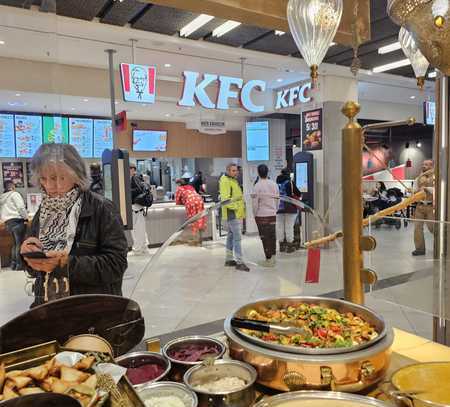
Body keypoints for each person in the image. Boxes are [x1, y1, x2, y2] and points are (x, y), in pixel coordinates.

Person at [20, 143, 128, 307]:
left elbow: (116, 265)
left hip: (91, 310)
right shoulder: (44, 211)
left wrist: (65, 264)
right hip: (49, 307)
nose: (50, 186)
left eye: (58, 178)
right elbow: (35, 271)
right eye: (43, 178)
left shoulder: (101, 208)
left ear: (77, 175)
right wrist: (28, 255)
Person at [219, 163, 249, 272]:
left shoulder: (232, 180)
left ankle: (229, 259)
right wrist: (236, 207)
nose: (235, 172)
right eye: (233, 170)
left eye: (236, 170)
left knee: (231, 236)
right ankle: (239, 262)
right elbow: (226, 200)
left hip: (235, 212)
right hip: (232, 213)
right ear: (227, 170)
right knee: (237, 238)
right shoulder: (226, 181)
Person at [252, 164, 279, 267]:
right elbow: (277, 199)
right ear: (268, 172)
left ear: (258, 173)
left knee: (264, 237)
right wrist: (274, 210)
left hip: (261, 215)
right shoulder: (274, 184)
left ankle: (268, 259)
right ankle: (273, 257)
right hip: (272, 214)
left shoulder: (257, 186)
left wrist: (255, 214)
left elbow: (255, 203)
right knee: (272, 236)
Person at [0, 181, 28, 270]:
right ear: (12, 186)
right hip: (17, 221)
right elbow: (20, 207)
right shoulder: (14, 194)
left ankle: (13, 264)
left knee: (15, 244)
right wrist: (26, 217)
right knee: (19, 244)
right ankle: (20, 265)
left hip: (8, 223)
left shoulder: (2, 197)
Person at [175, 175, 206, 245]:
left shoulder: (179, 189)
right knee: (200, 219)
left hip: (191, 202)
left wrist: (182, 201)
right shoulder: (191, 187)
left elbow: (177, 201)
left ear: (179, 184)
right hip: (199, 200)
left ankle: (195, 240)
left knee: (193, 220)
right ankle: (200, 239)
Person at [412, 159, 434, 256]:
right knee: (417, 228)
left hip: (431, 207)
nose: (423, 166)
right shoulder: (418, 178)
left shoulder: (436, 177)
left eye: (426, 164)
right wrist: (414, 192)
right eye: (423, 164)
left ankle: (441, 246)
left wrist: (427, 189)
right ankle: (420, 249)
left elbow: (437, 190)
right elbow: (415, 190)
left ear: (432, 166)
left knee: (433, 228)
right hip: (420, 206)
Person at [277, 168, 301, 253]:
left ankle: (281, 246)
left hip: (279, 207)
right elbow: (298, 193)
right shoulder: (290, 182)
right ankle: (290, 246)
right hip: (289, 207)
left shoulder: (277, 182)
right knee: (289, 226)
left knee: (280, 226)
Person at [130, 164, 150, 255]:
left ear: (133, 170)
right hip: (138, 207)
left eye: (131, 169)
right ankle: (143, 247)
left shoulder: (134, 178)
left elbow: (138, 190)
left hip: (136, 207)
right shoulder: (137, 178)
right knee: (140, 229)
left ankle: (138, 249)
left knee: (136, 229)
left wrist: (128, 191)